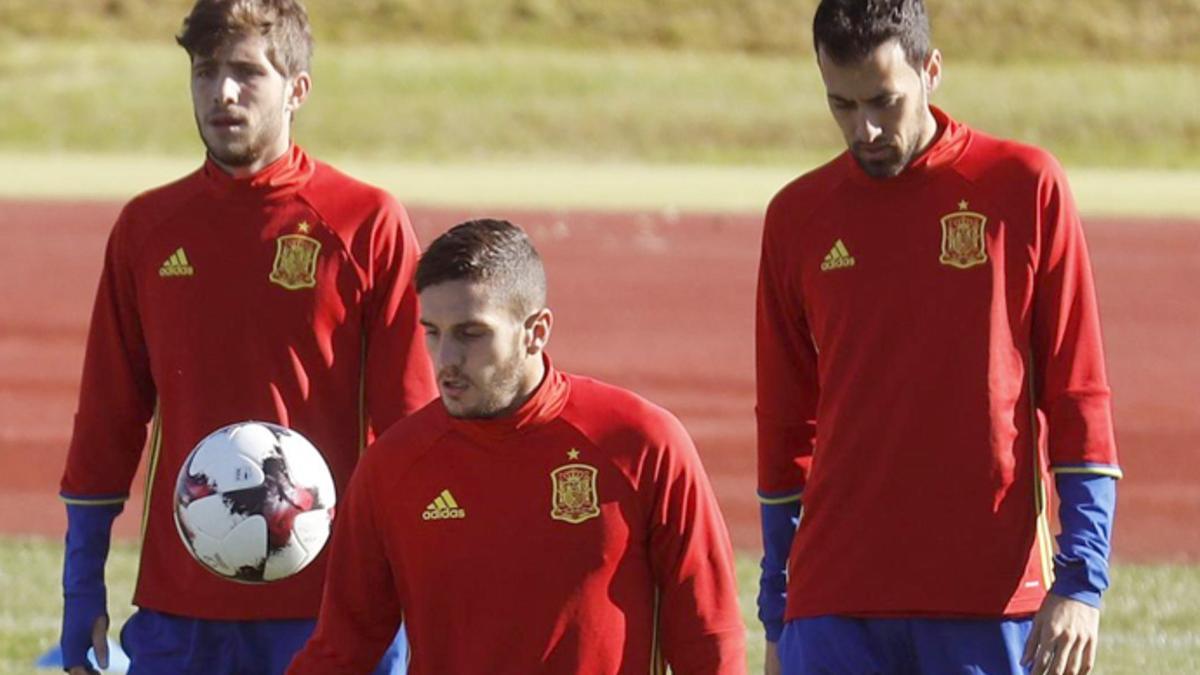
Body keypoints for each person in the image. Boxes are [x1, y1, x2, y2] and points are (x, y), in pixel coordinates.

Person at [57, 1, 436, 672]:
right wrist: (80, 581)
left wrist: (426, 591)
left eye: (246, 72)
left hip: (332, 608)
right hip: (180, 609)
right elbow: (107, 419)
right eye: (205, 72)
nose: (222, 92)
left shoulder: (364, 222)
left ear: (298, 90)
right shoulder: (148, 227)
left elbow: (410, 428)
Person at [755, 1, 1121, 674]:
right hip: (833, 599)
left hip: (987, 596)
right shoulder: (795, 219)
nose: (863, 128)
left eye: (882, 102)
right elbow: (784, 432)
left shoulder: (1023, 187)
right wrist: (779, 613)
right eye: (840, 104)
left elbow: (1078, 392)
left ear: (932, 71)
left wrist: (1081, 580)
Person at [287, 219, 747, 674]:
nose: (446, 360)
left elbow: (708, 636)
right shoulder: (393, 466)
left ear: (536, 330)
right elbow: (342, 649)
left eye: (471, 333)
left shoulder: (641, 444)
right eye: (433, 331)